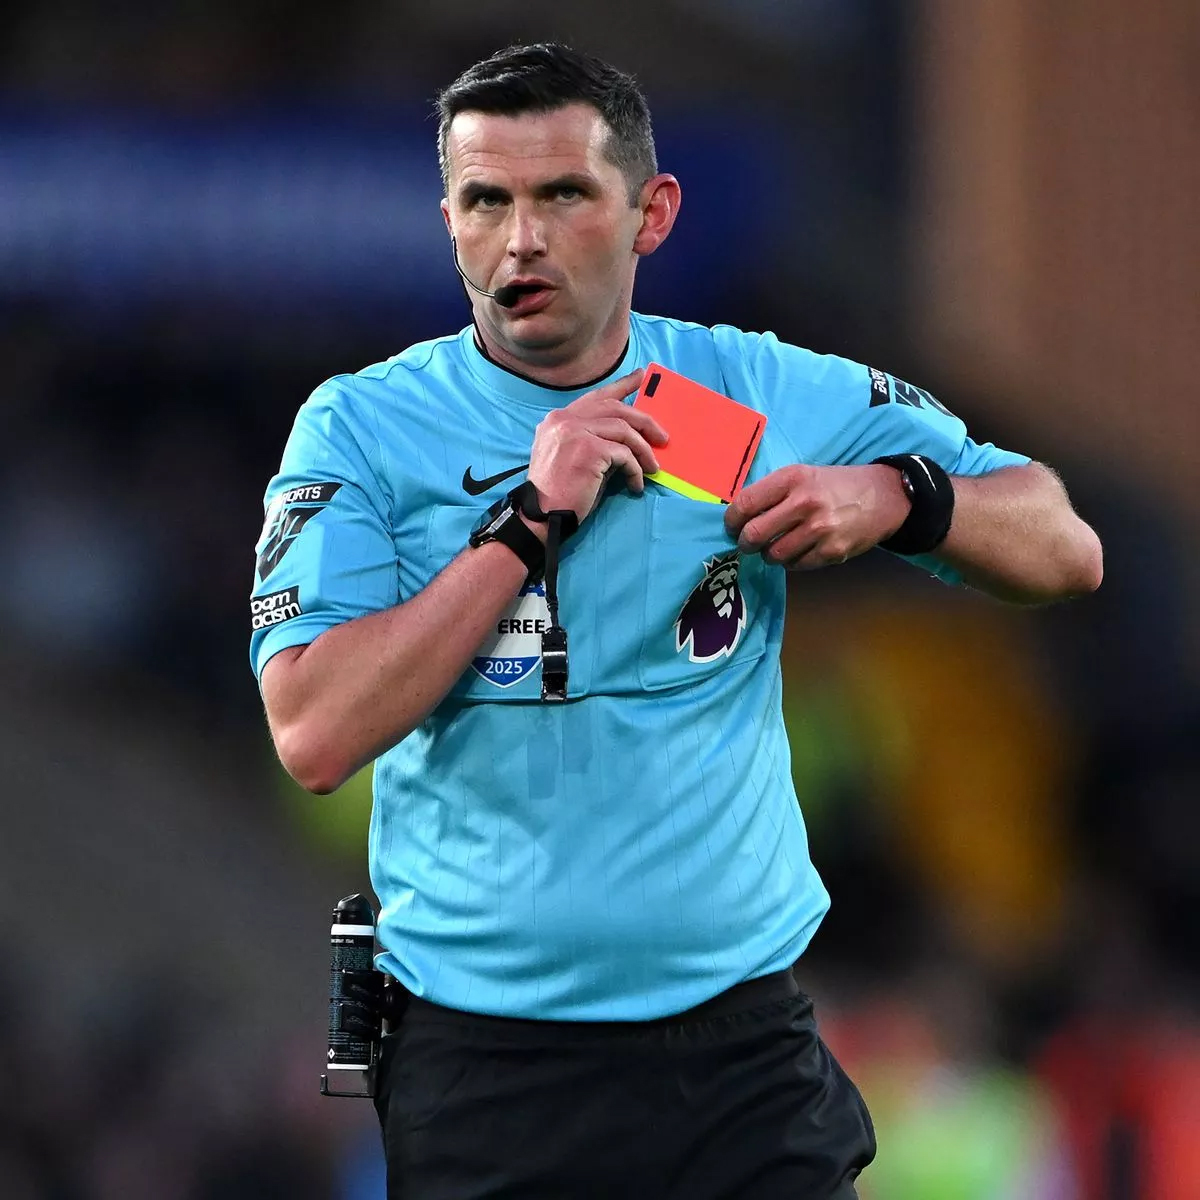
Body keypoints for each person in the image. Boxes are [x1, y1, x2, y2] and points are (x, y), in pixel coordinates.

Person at [249, 42, 1102, 1200]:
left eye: (564, 195)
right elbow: (313, 733)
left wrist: (899, 497)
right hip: (489, 1070)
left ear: (651, 214)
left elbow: (1063, 545)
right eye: (487, 201)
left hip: (737, 1062)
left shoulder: (743, 397)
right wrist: (527, 522)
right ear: (448, 221)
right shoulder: (365, 430)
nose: (522, 240)